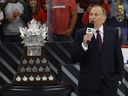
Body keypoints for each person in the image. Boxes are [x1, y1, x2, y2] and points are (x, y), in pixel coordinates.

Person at [71, 5, 124, 96]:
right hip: (88, 86)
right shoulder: (80, 33)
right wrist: (84, 44)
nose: (92, 17)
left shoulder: (113, 33)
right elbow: (74, 58)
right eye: (91, 14)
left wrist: (118, 79)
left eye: (96, 14)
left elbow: (118, 58)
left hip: (109, 85)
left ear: (104, 18)